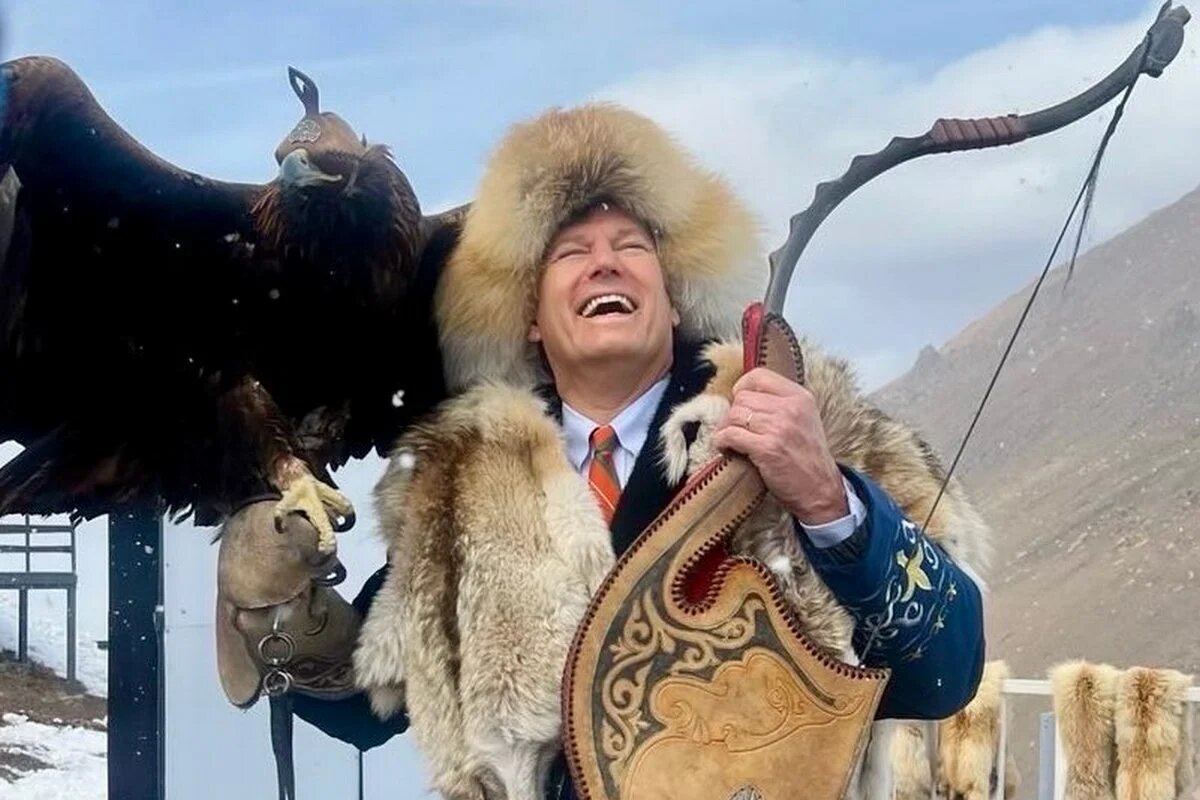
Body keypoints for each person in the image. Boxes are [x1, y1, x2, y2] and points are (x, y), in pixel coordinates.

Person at [292, 102, 990, 799]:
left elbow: (945, 672)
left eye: (631, 246)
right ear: (530, 317)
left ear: (675, 296)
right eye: (570, 252)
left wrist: (827, 501)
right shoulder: (463, 479)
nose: (604, 264)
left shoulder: (804, 418)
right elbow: (361, 700)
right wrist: (281, 610)